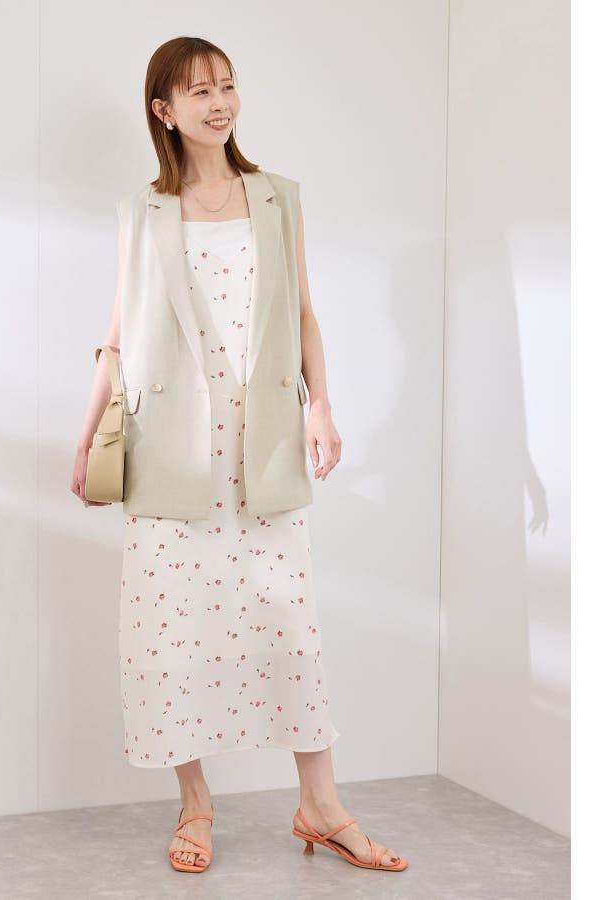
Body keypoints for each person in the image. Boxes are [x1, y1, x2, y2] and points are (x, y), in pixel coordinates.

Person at [71, 36, 407, 876]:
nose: (219, 103)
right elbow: (119, 334)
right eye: (199, 91)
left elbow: (302, 312)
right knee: (169, 628)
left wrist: (320, 406)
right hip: (169, 448)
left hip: (262, 446)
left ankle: (321, 806)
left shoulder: (277, 197)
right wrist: (87, 435)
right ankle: (195, 804)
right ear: (164, 111)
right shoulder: (142, 211)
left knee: (289, 623)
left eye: (227, 86)